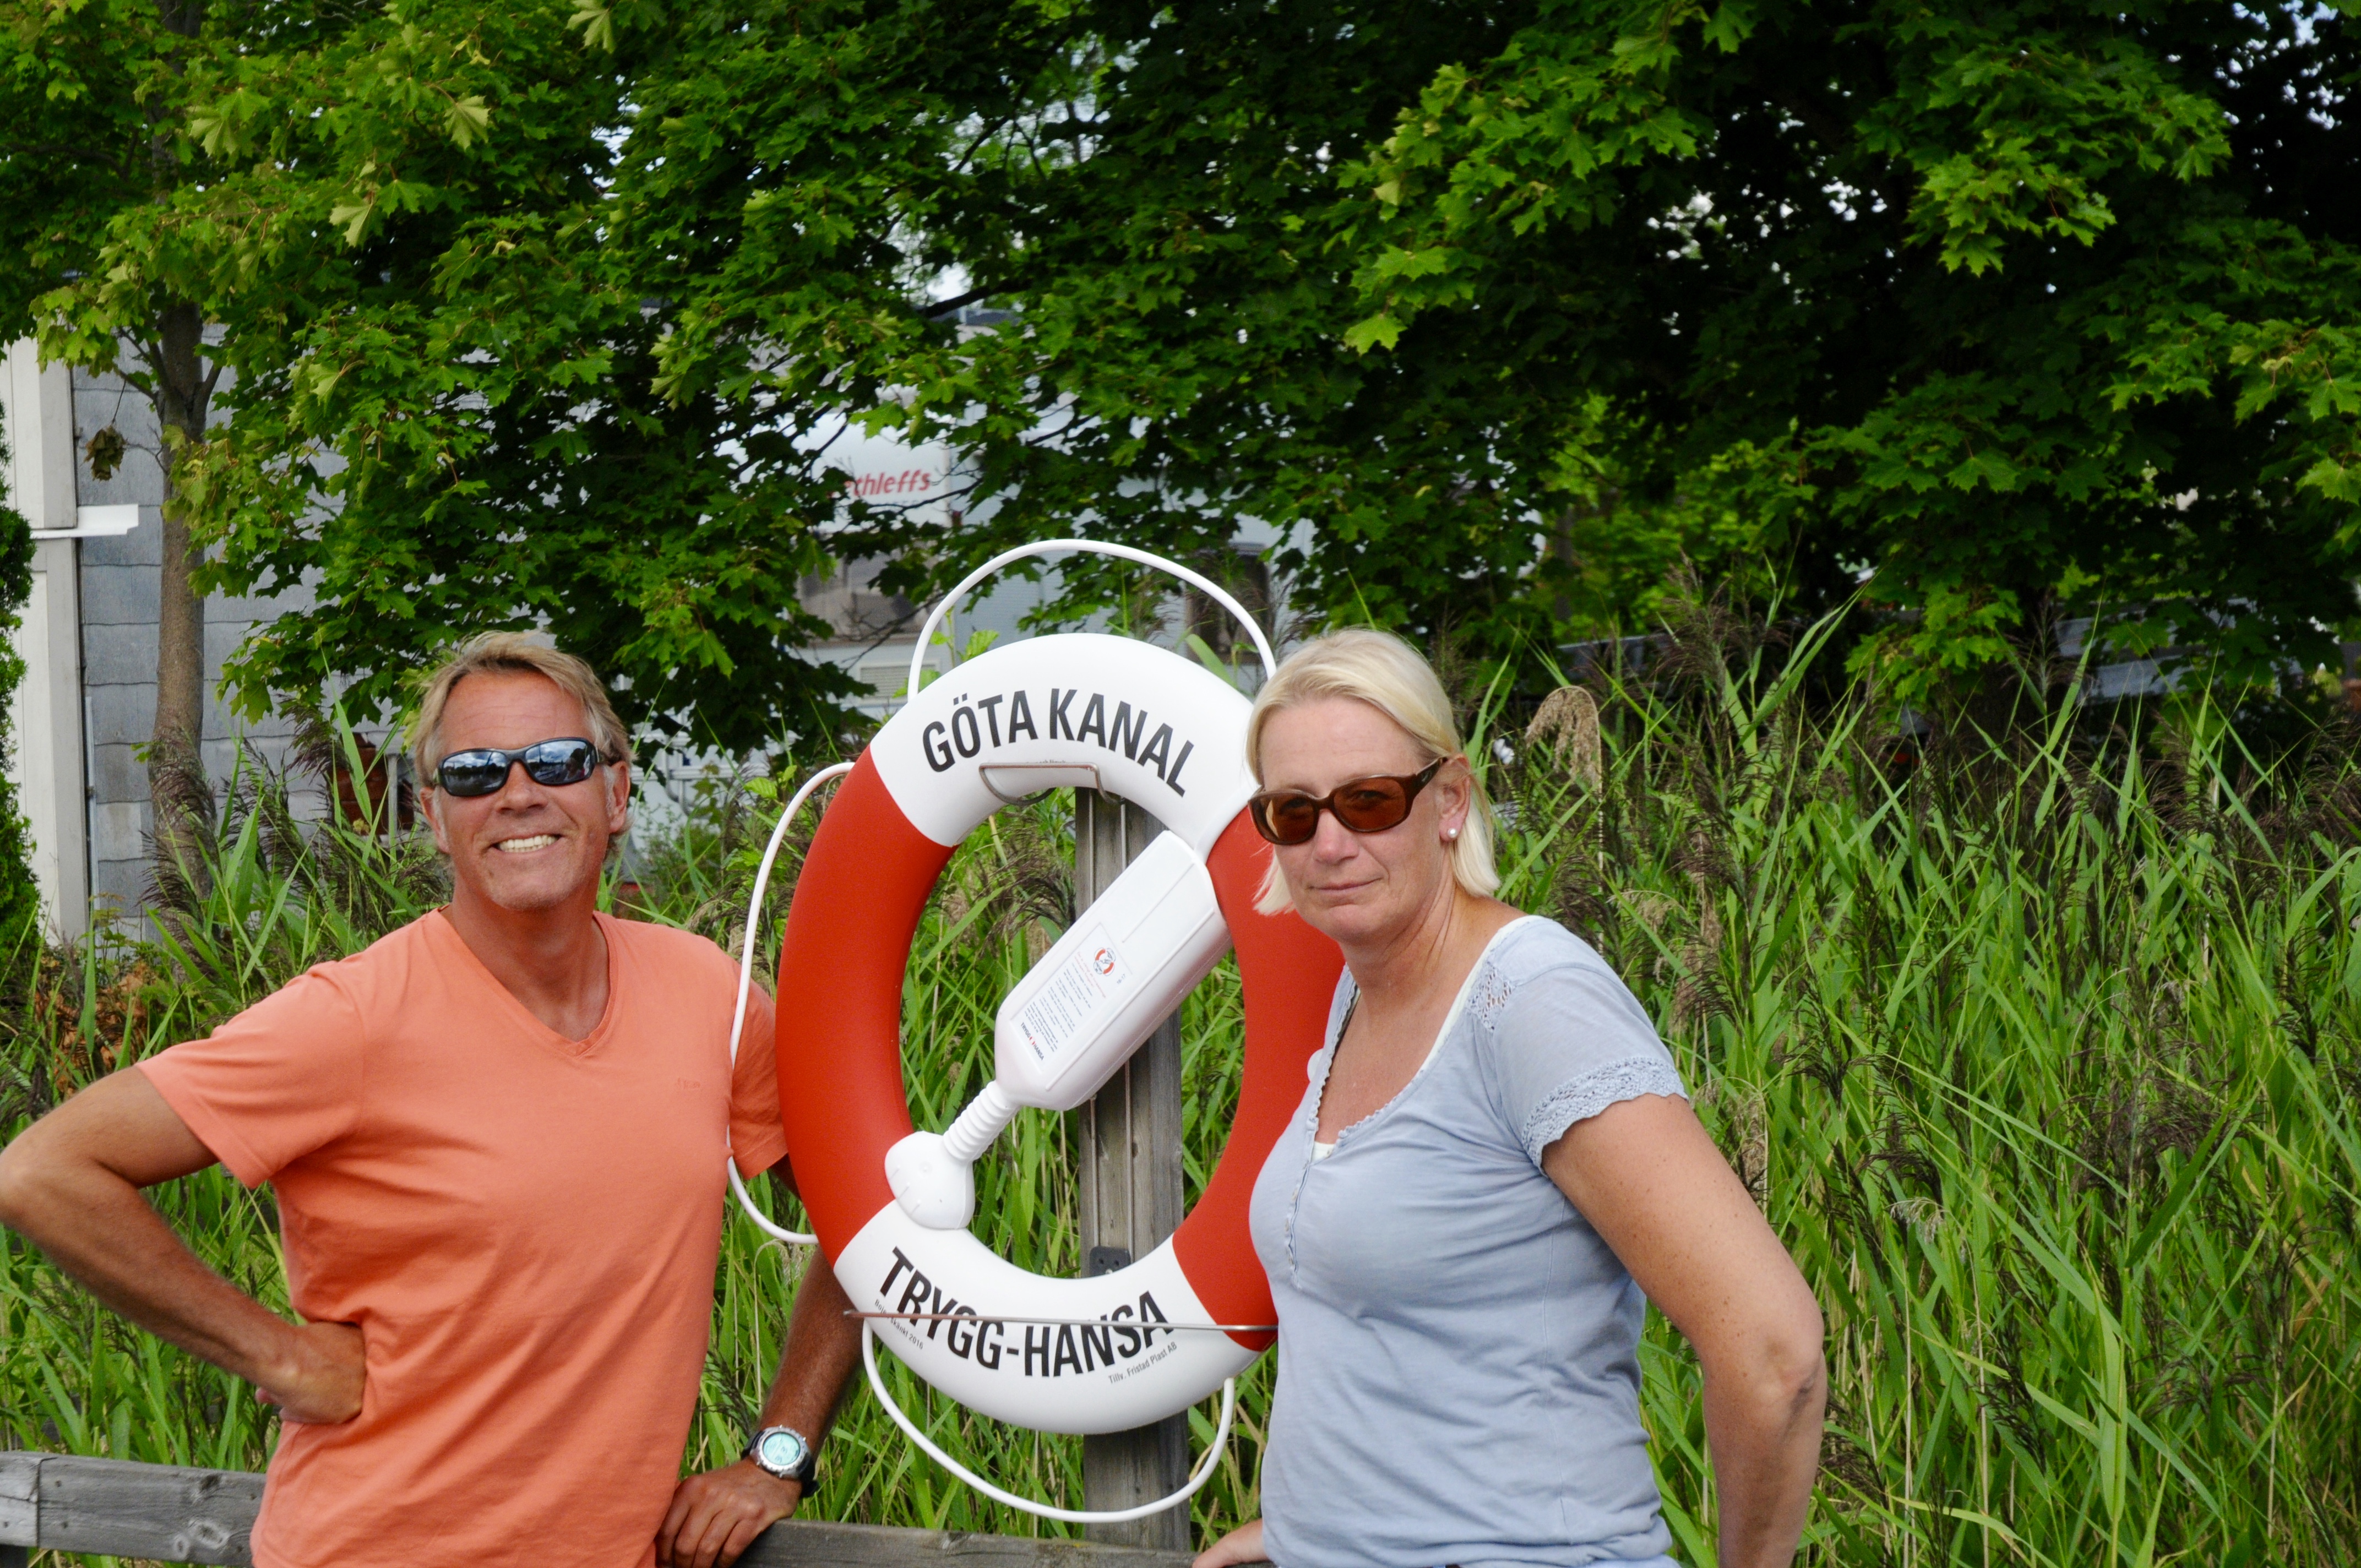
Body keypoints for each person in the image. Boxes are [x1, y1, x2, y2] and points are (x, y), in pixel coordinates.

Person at [0, 634, 861, 1568]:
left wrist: (781, 1453)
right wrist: (277, 1356)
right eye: (476, 772)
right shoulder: (353, 1018)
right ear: (436, 815)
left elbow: (865, 1223)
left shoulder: (708, 996)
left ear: (615, 793)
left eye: (558, 761)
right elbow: (44, 1171)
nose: (519, 793)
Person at [1194, 630, 1825, 1568]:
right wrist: (1304, 1530)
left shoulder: (1530, 1000)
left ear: (1450, 800)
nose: (1330, 843)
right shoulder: (1360, 995)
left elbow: (1776, 1356)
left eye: (1368, 801)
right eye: (1294, 812)